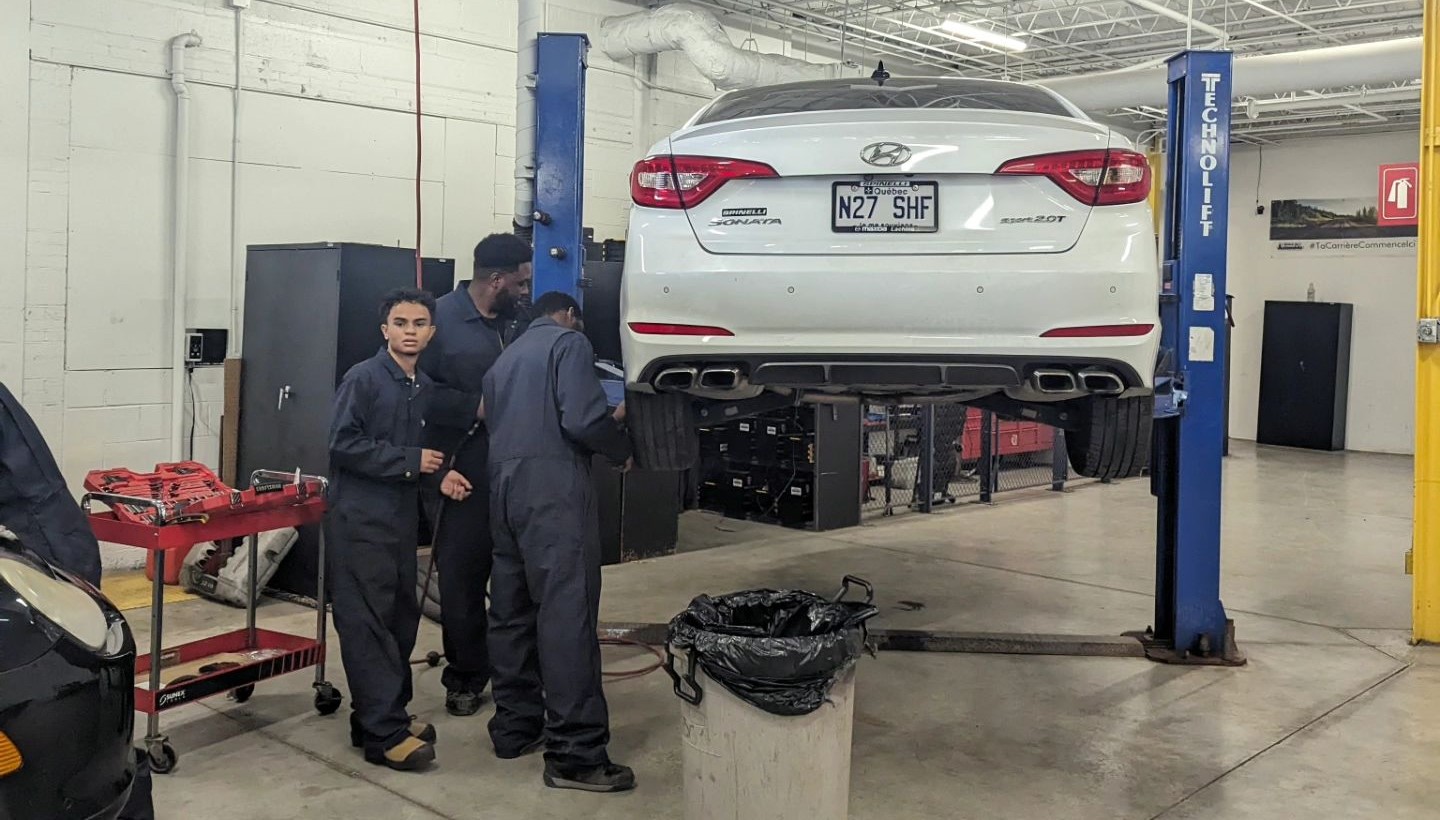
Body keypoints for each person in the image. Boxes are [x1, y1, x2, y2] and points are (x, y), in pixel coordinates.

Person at [481, 291, 636, 793]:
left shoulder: (503, 359)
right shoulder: (568, 343)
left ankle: (515, 727)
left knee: (511, 611)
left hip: (503, 490)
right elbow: (581, 420)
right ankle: (575, 755)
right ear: (569, 315)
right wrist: (620, 448)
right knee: (566, 614)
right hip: (552, 492)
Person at [328, 288, 467, 771]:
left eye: (420, 323)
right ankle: (383, 735)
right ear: (384, 329)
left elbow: (418, 452)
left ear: (431, 331)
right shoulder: (363, 379)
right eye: (401, 323)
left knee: (399, 622)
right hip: (361, 525)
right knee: (368, 628)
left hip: (400, 524)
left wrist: (439, 472)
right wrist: (411, 462)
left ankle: (377, 715)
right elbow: (343, 443)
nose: (410, 331)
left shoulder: (420, 385)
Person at [418, 233, 533, 717]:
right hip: (458, 472)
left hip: (515, 469)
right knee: (463, 582)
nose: (527, 291)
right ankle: (465, 675)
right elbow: (411, 391)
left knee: (517, 577)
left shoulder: (520, 323)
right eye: (522, 282)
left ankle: (516, 671)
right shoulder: (437, 322)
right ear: (497, 280)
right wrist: (476, 407)